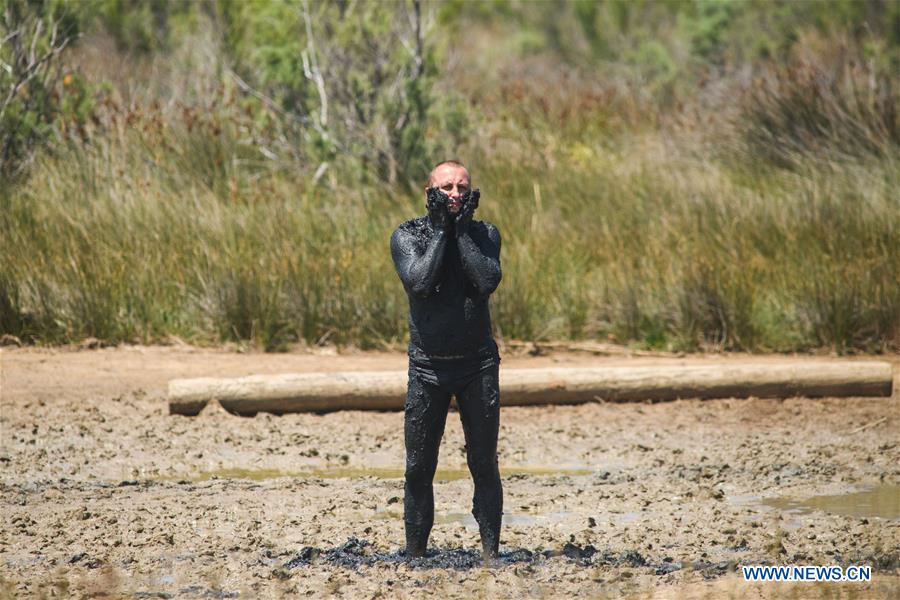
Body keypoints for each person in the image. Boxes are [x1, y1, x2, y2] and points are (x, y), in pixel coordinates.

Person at [389, 160, 503, 559]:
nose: (455, 194)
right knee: (418, 469)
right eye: (447, 188)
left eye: (462, 188)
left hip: (478, 366)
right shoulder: (408, 235)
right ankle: (415, 556)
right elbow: (420, 283)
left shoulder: (485, 233)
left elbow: (486, 280)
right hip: (427, 368)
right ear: (429, 194)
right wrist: (442, 231)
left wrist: (459, 233)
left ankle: (492, 555)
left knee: (484, 464)